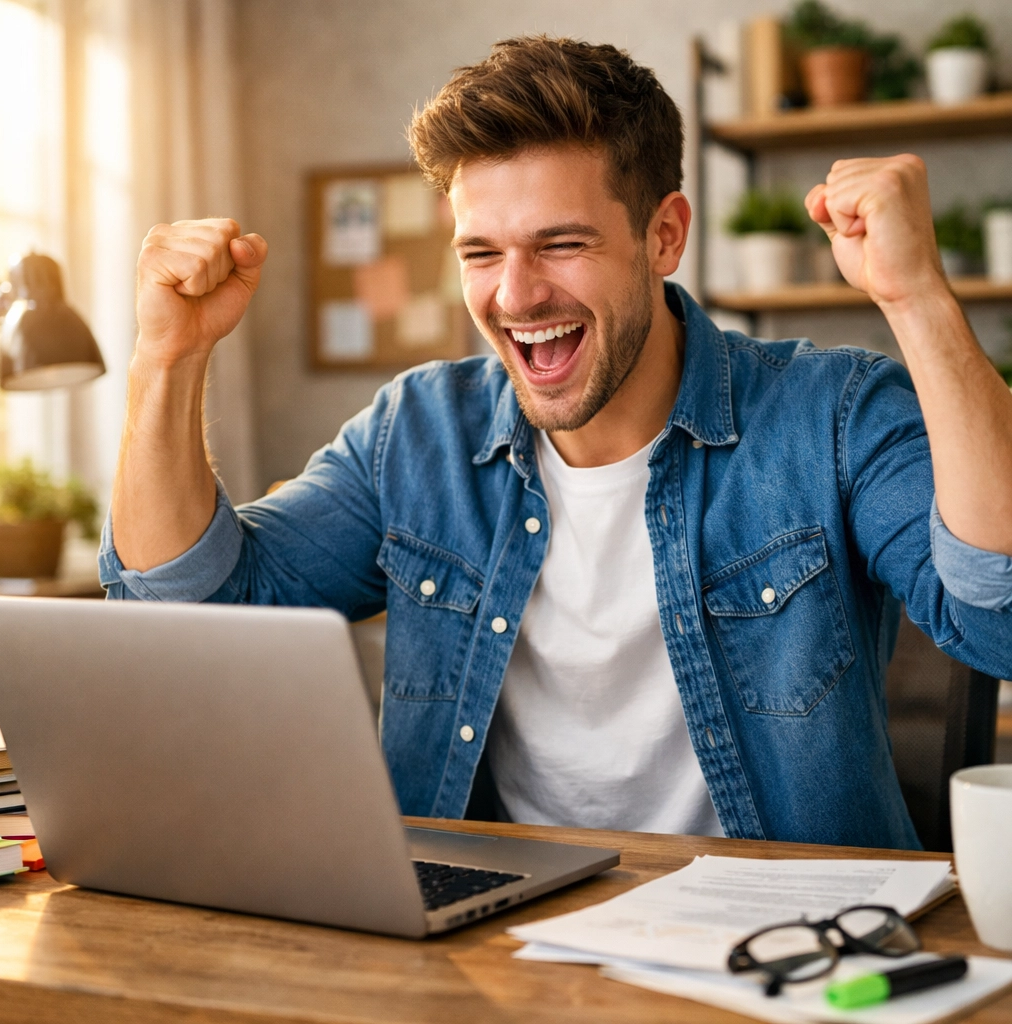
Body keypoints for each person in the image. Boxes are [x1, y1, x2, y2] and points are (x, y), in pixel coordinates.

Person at [102, 36, 1012, 850]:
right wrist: (167, 358)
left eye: (560, 244)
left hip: (784, 947)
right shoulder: (415, 433)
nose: (516, 296)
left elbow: (997, 615)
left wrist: (917, 299)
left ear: (664, 236)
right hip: (495, 948)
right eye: (481, 253)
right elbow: (192, 608)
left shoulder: (831, 410)